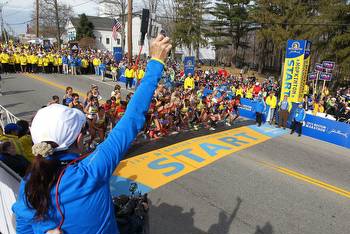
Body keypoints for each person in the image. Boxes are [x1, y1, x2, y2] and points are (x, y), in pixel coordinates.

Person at [12, 34, 171, 233]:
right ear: (79, 139)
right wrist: (156, 62)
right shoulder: (92, 170)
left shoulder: (28, 184)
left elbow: (23, 227)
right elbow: (133, 116)